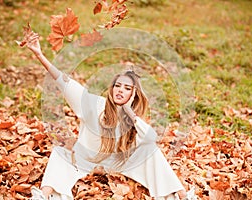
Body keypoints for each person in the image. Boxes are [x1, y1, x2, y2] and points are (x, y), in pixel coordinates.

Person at [25, 30, 187, 200]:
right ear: (111, 88)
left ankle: (181, 196)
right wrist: (39, 54)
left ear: (134, 94)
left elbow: (150, 139)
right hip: (85, 162)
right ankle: (44, 196)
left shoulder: (133, 119)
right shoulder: (94, 104)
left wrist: (129, 112)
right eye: (118, 85)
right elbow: (64, 82)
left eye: (127, 88)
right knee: (59, 153)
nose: (120, 90)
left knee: (151, 151)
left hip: (119, 165)